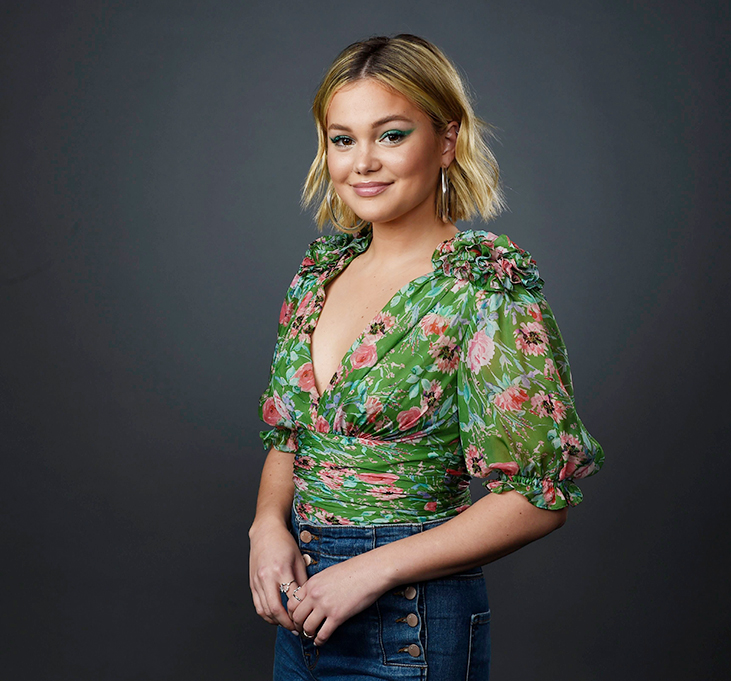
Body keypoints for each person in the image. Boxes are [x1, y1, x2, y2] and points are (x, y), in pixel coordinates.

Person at [249, 34, 603, 680]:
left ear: (446, 140)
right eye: (342, 138)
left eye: (390, 134)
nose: (363, 162)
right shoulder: (318, 276)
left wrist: (372, 569)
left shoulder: (484, 287)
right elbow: (290, 434)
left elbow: (539, 495)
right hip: (303, 611)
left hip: (409, 620)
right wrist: (267, 524)